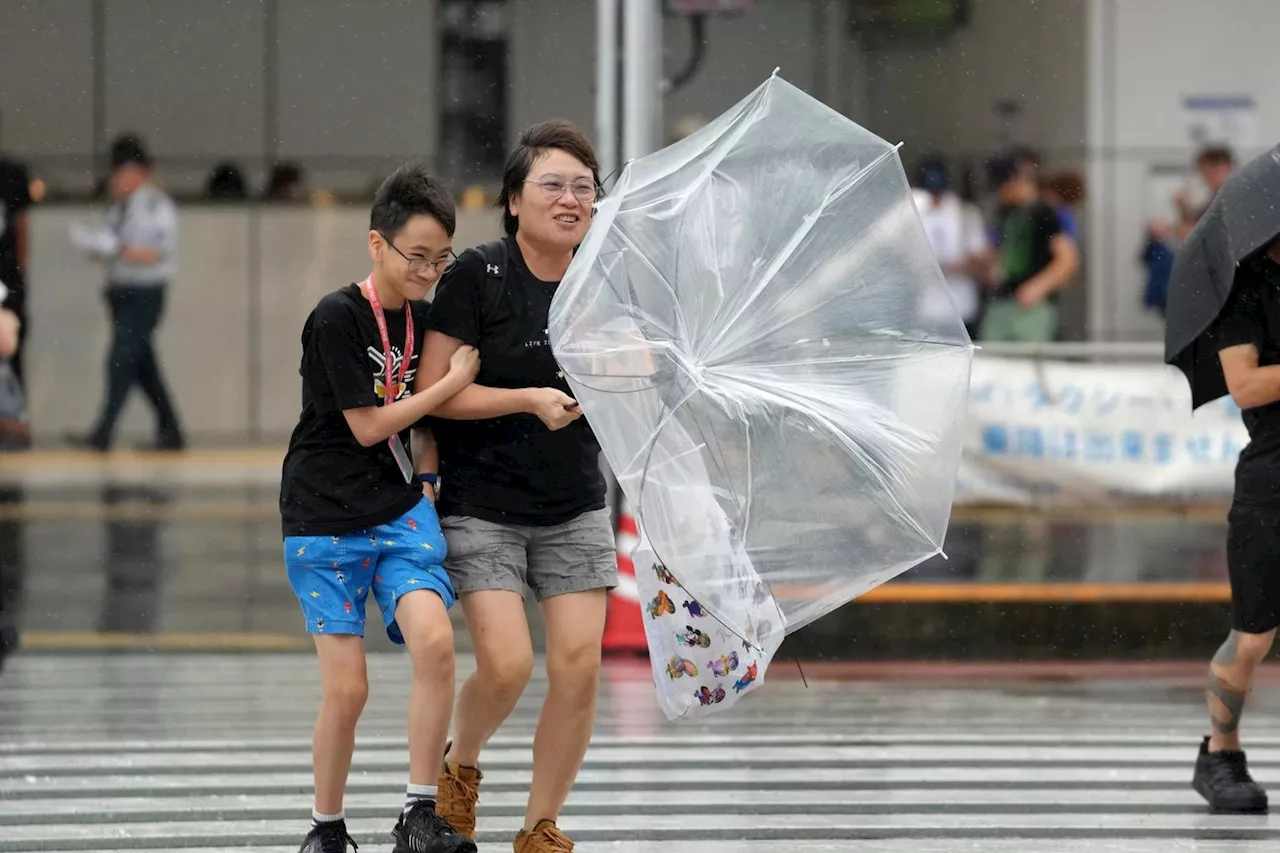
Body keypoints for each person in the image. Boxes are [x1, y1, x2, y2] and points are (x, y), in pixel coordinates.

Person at [419, 120, 617, 853]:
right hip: (483, 504)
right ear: (513, 200)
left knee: (579, 666)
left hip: (574, 503)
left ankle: (540, 825)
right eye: (553, 185)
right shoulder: (479, 275)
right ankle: (460, 764)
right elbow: (433, 392)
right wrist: (527, 396)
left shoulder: (606, 281)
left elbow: (628, 375)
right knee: (506, 664)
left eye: (584, 189)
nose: (571, 200)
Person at [278, 161, 480, 853]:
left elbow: (424, 430)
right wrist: (448, 384)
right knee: (349, 690)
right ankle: (325, 827)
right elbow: (369, 424)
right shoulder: (337, 316)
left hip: (396, 513)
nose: (428, 270)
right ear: (376, 244)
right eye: (415, 256)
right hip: (322, 515)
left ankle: (418, 814)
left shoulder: (425, 321)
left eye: (440, 258)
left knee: (436, 644)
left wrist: (427, 476)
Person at [1193, 234, 1280, 815]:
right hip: (1272, 481)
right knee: (1254, 637)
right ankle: (1220, 755)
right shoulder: (1242, 293)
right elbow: (1244, 384)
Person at [70, 134, 185, 451]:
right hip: (120, 294)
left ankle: (103, 432)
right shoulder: (118, 207)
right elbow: (112, 247)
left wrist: (117, 249)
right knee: (142, 366)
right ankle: (172, 432)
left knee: (121, 359)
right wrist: (96, 246)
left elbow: (158, 253)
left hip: (145, 293)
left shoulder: (154, 206)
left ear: (138, 172)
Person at [978, 156, 1079, 343]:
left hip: (1030, 305)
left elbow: (1068, 258)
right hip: (1002, 299)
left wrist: (1038, 287)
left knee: (1025, 365)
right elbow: (1000, 252)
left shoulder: (1045, 213)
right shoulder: (1006, 213)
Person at [0, 112, 32, 385]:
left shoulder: (11, 173)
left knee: (12, 346)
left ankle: (13, 419)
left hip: (7, 274)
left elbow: (22, 226)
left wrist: (20, 268)